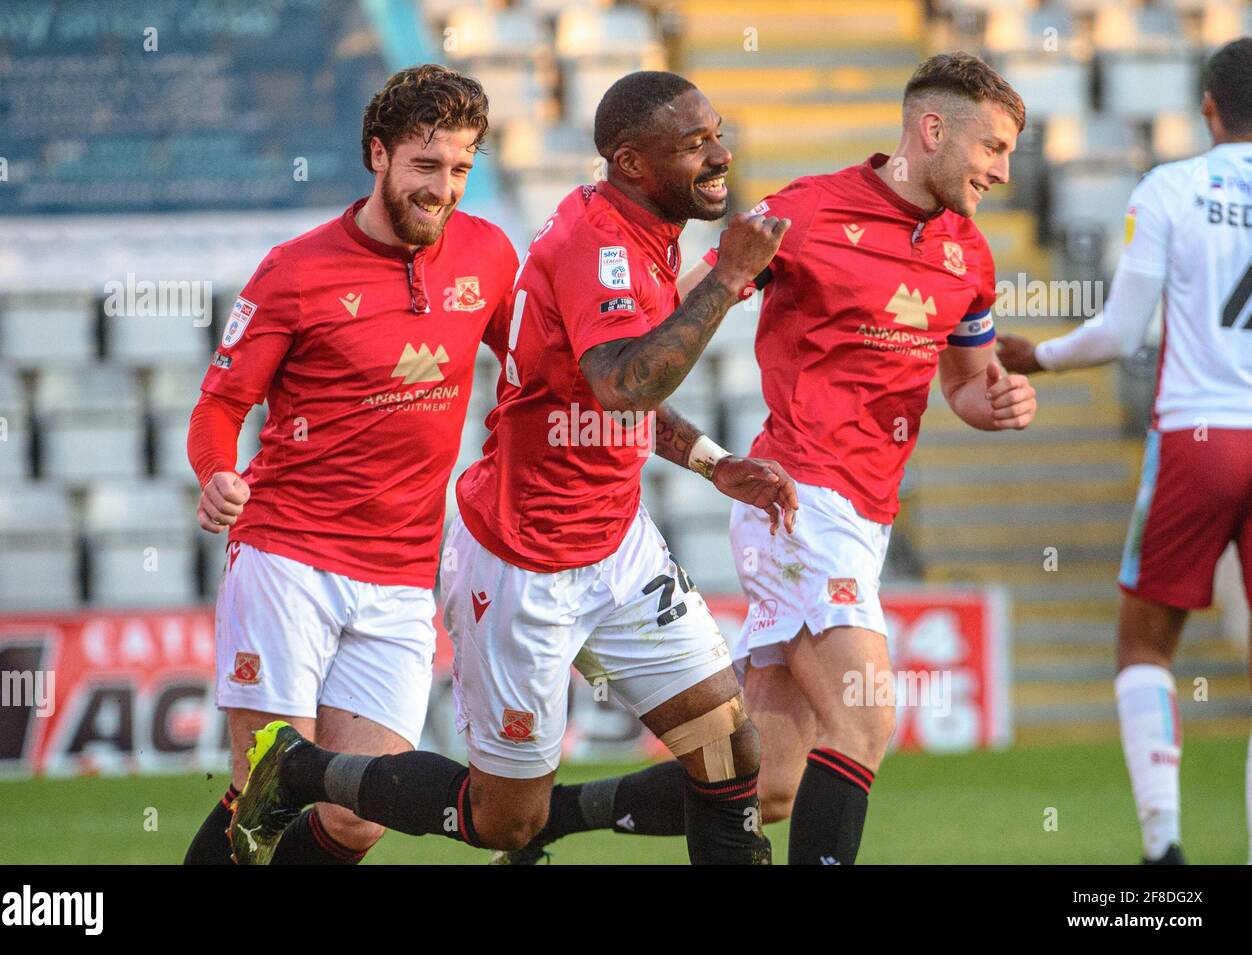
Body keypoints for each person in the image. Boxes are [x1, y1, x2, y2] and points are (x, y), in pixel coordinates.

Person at [229, 70, 797, 865]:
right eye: (695, 144)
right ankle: (302, 769)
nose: (720, 155)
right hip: (523, 560)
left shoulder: (641, 234)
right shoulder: (599, 245)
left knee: (728, 753)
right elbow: (622, 380)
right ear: (632, 163)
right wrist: (731, 278)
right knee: (505, 822)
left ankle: (557, 813)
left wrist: (711, 461)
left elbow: (608, 393)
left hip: (616, 544)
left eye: (717, 134)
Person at [500, 52, 1038, 865]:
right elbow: (675, 311)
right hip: (798, 497)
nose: (1003, 170)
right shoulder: (808, 212)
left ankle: (553, 817)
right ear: (933, 130)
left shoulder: (971, 256)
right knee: (866, 716)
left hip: (867, 516)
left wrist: (997, 403)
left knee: (772, 784)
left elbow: (966, 384)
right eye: (992, 148)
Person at [182, 64, 518, 864]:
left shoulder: (490, 254)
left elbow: (536, 367)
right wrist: (217, 473)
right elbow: (219, 406)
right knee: (269, 786)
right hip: (288, 554)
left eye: (462, 168)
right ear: (379, 154)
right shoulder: (293, 270)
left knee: (359, 815)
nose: (444, 189)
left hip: (402, 574)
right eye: (426, 166)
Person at [998, 38, 1252, 865]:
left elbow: (1121, 333)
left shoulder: (1172, 187)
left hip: (1199, 435)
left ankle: (1164, 850)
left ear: (1207, 108)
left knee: (1145, 644)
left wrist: (1036, 356)